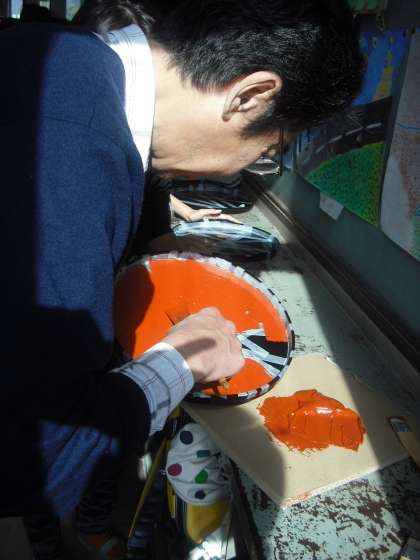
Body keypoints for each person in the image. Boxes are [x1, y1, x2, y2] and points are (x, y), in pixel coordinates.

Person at [0, 0, 364, 558]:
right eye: (268, 152)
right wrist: (182, 363)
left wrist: (154, 238)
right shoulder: (68, 150)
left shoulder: (61, 62)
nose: (243, 170)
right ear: (250, 96)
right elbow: (38, 461)